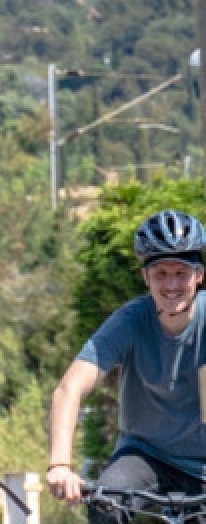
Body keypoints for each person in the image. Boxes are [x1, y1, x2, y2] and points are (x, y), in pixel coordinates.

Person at [47, 209, 206, 519]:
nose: (171, 284)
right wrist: (60, 465)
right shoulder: (130, 321)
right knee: (106, 503)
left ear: (198, 275)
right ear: (145, 277)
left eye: (181, 273)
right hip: (145, 454)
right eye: (161, 274)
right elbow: (70, 388)